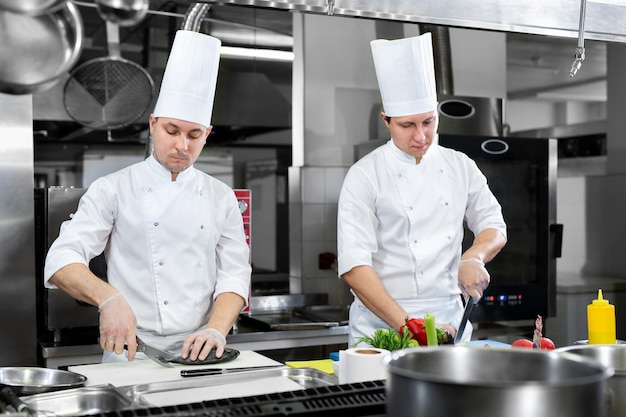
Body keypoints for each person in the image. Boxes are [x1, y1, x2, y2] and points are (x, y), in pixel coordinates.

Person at [44, 30, 251, 363]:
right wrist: (108, 299)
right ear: (153, 124)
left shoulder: (220, 196)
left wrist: (216, 329)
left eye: (194, 135)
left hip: (200, 350)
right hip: (131, 350)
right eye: (172, 131)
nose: (183, 145)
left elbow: (235, 274)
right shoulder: (113, 188)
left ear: (207, 134)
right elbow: (61, 261)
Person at [337, 33, 507, 347]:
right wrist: (409, 326)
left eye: (428, 122)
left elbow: (493, 226)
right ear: (386, 120)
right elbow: (354, 267)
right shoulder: (364, 175)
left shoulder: (460, 165)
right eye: (407, 125)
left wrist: (474, 258)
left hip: (450, 323)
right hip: (381, 328)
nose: (421, 136)